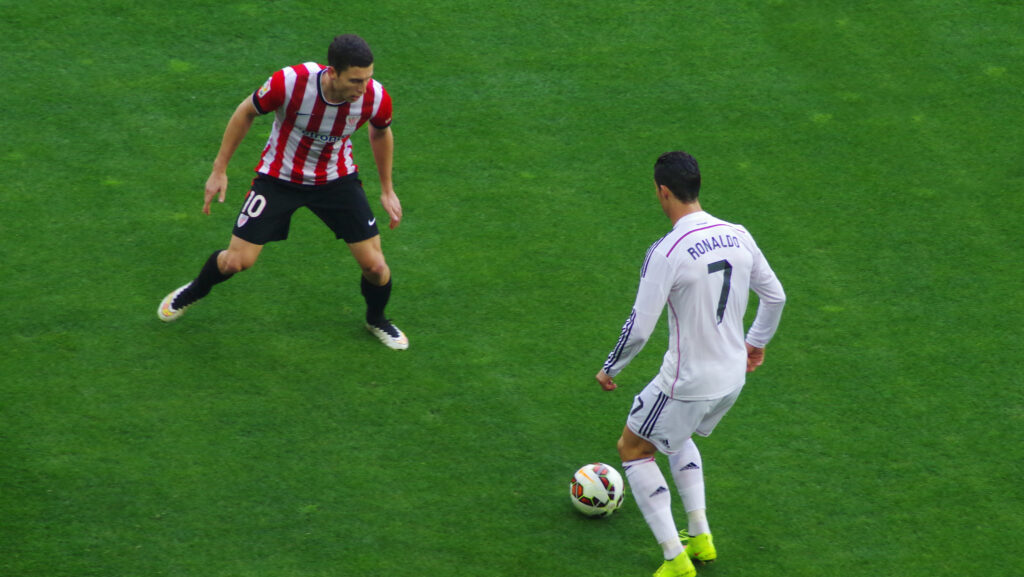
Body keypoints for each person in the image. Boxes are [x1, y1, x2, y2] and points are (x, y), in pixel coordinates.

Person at [595, 151, 786, 577]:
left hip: (687, 382)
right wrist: (756, 343)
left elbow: (640, 327)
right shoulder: (738, 234)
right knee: (676, 438)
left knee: (634, 449)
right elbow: (776, 296)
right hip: (733, 377)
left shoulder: (667, 251)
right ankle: (700, 536)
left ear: (663, 192)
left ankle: (675, 560)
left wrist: (611, 368)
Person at [157, 34, 408, 350]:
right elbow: (245, 112)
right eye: (355, 81)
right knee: (236, 262)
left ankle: (377, 319)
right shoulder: (290, 83)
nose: (362, 89)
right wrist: (219, 169)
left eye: (368, 79)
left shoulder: (374, 96)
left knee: (376, 267)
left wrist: (387, 189)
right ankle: (194, 290)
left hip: (336, 181)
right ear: (332, 73)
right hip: (279, 178)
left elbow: (381, 132)